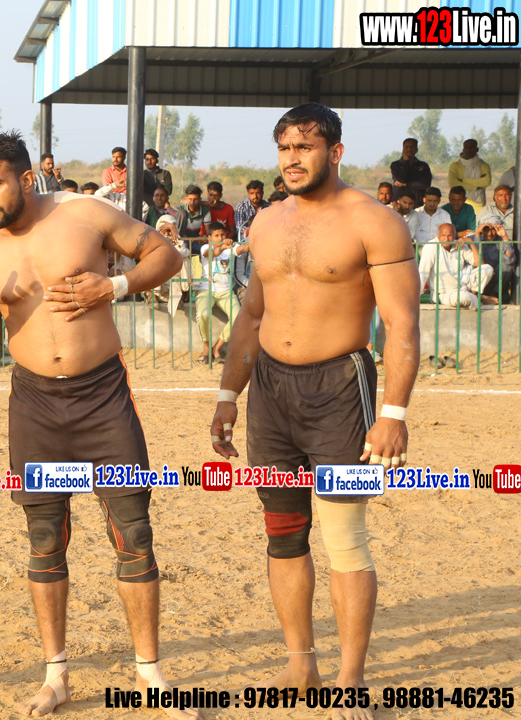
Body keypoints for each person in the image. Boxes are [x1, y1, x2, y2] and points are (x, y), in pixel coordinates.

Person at [0, 131, 191, 719]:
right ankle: (55, 676)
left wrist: (115, 285)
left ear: (26, 179)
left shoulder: (86, 214)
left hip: (103, 397)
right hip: (34, 404)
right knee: (44, 537)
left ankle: (149, 673)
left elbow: (167, 255)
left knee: (134, 533)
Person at [210, 103, 419, 720]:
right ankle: (301, 663)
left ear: (336, 152)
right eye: (284, 149)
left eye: (305, 147)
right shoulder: (267, 222)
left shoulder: (374, 222)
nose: (292, 159)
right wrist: (227, 396)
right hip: (271, 390)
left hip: (340, 388)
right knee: (282, 532)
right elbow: (251, 315)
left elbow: (402, 326)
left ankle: (350, 678)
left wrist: (393, 412)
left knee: (343, 536)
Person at [194, 222, 245, 364]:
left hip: (226, 292)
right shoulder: (205, 247)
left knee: (238, 317)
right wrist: (222, 247)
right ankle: (206, 349)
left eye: (222, 235)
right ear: (209, 237)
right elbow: (211, 254)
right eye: (216, 235)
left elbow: (242, 249)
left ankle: (216, 348)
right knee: (203, 315)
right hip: (206, 290)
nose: (220, 238)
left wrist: (250, 245)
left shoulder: (230, 247)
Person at [418, 222, 495, 308]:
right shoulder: (431, 246)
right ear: (438, 235)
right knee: (465, 298)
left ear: (454, 236)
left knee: (488, 269)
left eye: (449, 235)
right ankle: (478, 298)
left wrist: (471, 243)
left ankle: (474, 295)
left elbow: (480, 264)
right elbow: (423, 272)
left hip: (464, 286)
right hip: (444, 293)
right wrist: (416, 297)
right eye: (443, 235)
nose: (446, 239)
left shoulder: (458, 244)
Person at [447, 139, 492, 211]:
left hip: (479, 202)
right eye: (466, 148)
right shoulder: (455, 166)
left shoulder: (483, 165)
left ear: (477, 149)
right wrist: (476, 187)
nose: (468, 150)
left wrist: (463, 180)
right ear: (463, 149)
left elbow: (486, 182)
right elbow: (453, 184)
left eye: (471, 148)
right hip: (460, 203)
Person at [390, 138, 432, 203]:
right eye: (407, 147)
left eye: (412, 147)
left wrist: (405, 184)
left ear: (416, 150)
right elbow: (402, 179)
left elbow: (425, 184)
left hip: (417, 202)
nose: (409, 149)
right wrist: (405, 162)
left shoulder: (423, 166)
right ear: (403, 149)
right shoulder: (396, 165)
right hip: (399, 202)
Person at [179, 185, 211, 254]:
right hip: (181, 241)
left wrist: (204, 238)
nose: (192, 202)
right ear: (186, 199)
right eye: (190, 199)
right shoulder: (179, 209)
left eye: (195, 199)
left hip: (196, 241)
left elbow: (208, 232)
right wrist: (194, 240)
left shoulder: (205, 211)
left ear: (200, 199)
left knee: (208, 248)